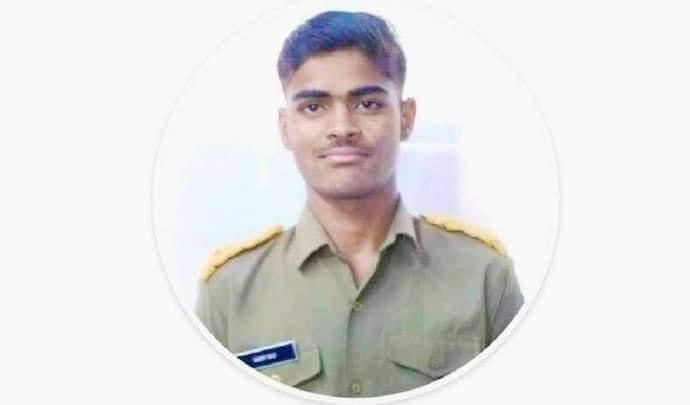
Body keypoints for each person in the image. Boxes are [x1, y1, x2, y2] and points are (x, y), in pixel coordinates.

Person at [195, 10, 523, 398]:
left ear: (406, 117)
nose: (342, 128)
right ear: (285, 127)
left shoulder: (484, 277)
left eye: (367, 104)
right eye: (314, 107)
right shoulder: (229, 291)